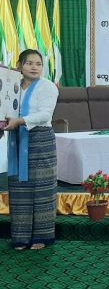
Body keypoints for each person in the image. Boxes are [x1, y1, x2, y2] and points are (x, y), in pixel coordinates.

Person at [2, 49, 59, 250]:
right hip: (17, 139)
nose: (34, 67)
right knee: (19, 187)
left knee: (42, 187)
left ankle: (41, 237)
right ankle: (21, 237)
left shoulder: (47, 86)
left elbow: (45, 115)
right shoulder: (12, 85)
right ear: (19, 65)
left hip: (41, 140)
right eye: (29, 63)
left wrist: (19, 121)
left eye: (38, 64)